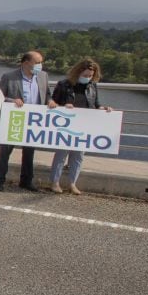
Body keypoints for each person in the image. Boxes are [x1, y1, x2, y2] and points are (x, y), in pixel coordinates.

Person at [0, 50, 56, 192]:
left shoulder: (43, 76)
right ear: (26, 63)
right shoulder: (9, 77)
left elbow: (47, 95)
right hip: (15, 119)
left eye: (41, 62)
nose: (40, 65)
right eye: (37, 62)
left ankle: (26, 181)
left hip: (33, 121)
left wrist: (50, 101)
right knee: (5, 151)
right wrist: (12, 100)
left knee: (29, 152)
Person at [49, 58, 112, 194]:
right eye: (85, 75)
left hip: (84, 126)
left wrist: (104, 109)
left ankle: (72, 183)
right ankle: (55, 182)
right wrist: (62, 106)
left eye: (90, 76)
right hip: (66, 125)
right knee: (61, 154)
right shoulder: (63, 84)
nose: (87, 78)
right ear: (77, 72)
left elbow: (96, 104)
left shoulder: (92, 86)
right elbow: (53, 103)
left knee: (78, 156)